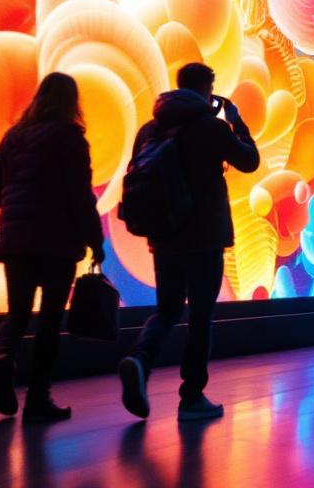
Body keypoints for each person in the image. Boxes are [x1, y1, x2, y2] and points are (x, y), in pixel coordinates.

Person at [118, 63, 260, 421]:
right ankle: (192, 397)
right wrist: (236, 122)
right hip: (204, 237)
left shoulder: (151, 129)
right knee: (200, 317)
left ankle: (139, 358)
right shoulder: (211, 128)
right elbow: (250, 160)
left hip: (164, 237)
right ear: (207, 89)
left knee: (166, 310)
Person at [0, 73, 103, 422]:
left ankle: (4, 356)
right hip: (57, 243)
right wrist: (95, 241)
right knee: (50, 321)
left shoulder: (13, 138)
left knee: (18, 313)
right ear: (73, 102)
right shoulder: (70, 137)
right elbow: (80, 196)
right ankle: (38, 398)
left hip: (17, 242)